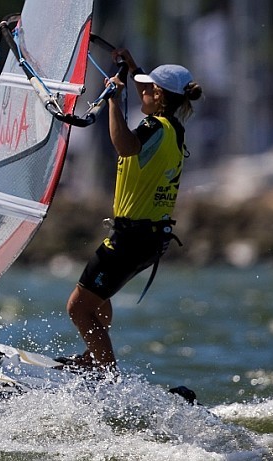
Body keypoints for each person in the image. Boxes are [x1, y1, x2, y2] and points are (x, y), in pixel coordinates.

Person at [58, 49, 203, 374]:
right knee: (97, 298)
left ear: (159, 95)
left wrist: (112, 98)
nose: (144, 94)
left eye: (149, 89)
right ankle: (93, 357)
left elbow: (124, 145)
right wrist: (134, 68)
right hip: (150, 239)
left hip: (131, 239)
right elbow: (150, 98)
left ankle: (108, 381)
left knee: (79, 308)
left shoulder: (152, 128)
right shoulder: (173, 129)